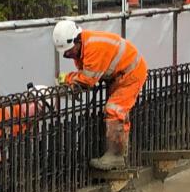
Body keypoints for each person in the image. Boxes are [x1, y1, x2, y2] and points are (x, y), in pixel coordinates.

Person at [54, 19, 147, 171]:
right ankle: (121, 154)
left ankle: (116, 156)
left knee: (115, 110)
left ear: (77, 41)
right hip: (120, 75)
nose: (68, 54)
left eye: (69, 51)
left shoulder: (93, 48)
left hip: (130, 74)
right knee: (118, 112)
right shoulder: (83, 48)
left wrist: (68, 78)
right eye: (65, 53)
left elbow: (88, 79)